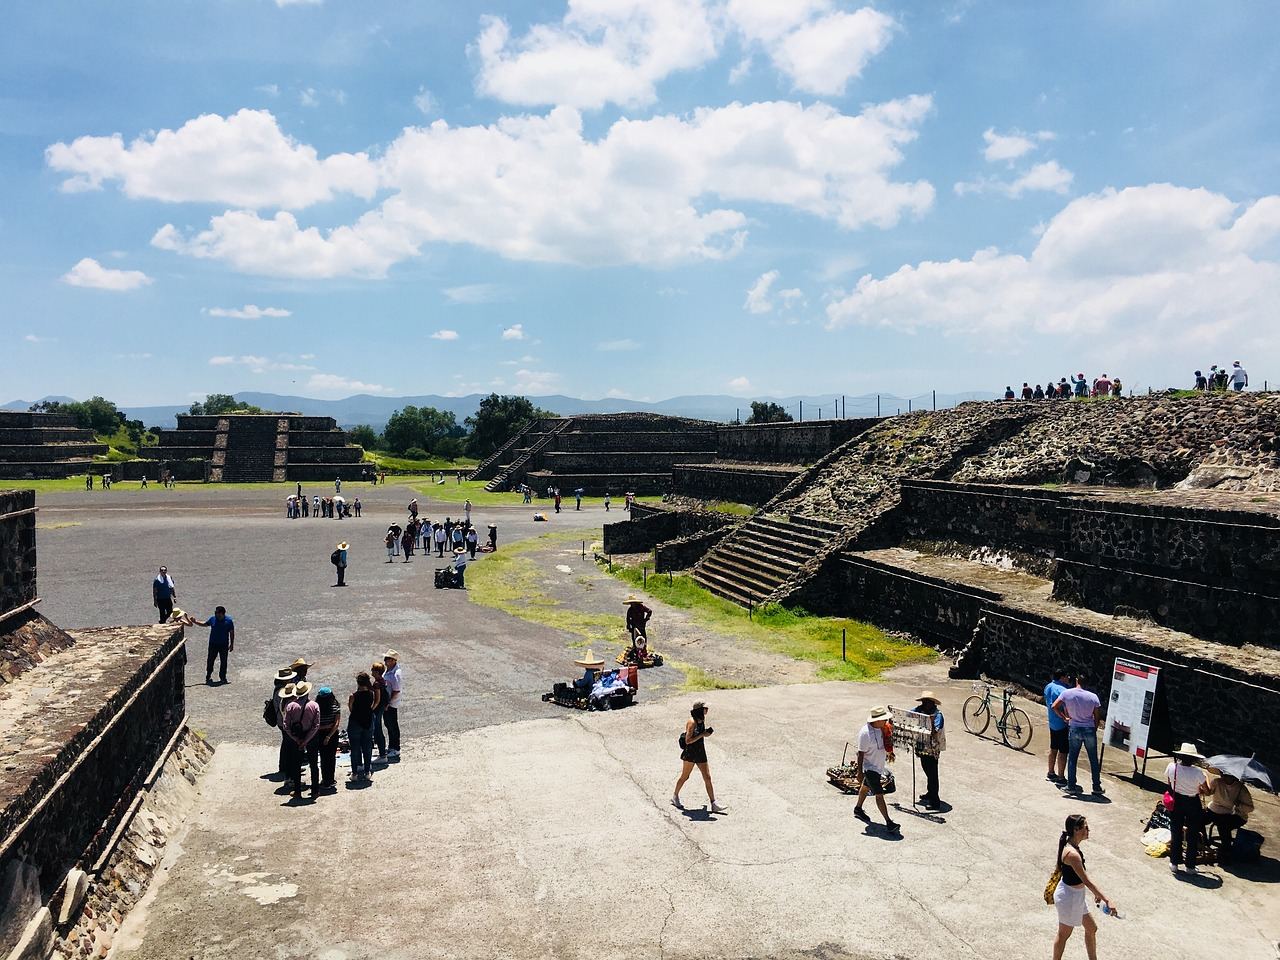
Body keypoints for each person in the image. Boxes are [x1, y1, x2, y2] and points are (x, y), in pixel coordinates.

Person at [1051, 814, 1114, 960]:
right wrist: (1107, 900)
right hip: (1069, 899)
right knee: (1063, 934)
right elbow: (1087, 881)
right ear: (1076, 829)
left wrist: (1096, 895)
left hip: (1075, 895)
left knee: (1091, 928)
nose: (1088, 829)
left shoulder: (1073, 848)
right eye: (1086, 827)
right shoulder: (1072, 854)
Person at [1052, 674, 1104, 797]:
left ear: (1076, 681)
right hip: (1089, 729)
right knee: (1093, 759)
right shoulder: (1093, 697)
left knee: (1073, 758)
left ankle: (1071, 786)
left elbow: (1054, 706)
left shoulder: (1067, 693)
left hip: (1074, 727)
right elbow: (1097, 716)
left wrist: (1064, 717)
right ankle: (1096, 786)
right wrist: (1094, 728)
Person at [672, 701, 726, 813]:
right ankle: (675, 796)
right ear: (699, 710)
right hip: (690, 753)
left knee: (707, 777)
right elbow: (688, 740)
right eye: (705, 708)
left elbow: (698, 736)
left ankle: (713, 803)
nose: (707, 710)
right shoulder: (692, 722)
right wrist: (702, 735)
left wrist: (705, 734)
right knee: (685, 776)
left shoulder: (701, 720)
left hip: (700, 751)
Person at [853, 705, 899, 834]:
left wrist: (890, 753)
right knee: (879, 794)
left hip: (878, 766)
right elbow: (860, 753)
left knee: (866, 787)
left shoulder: (882, 728)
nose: (885, 721)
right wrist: (860, 772)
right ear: (875, 720)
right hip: (870, 768)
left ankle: (858, 809)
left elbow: (886, 740)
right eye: (883, 719)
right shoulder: (865, 733)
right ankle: (889, 822)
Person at [1165, 742, 1210, 875]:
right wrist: (1205, 780)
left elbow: (1170, 783)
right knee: (1192, 833)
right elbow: (1206, 791)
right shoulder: (1198, 772)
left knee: (1176, 831)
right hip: (1192, 802)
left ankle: (1174, 862)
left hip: (1177, 800)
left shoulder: (1172, 767)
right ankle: (1190, 866)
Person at [1204, 769, 1254, 865]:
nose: (1224, 777)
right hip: (1215, 809)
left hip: (1234, 814)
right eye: (1223, 774)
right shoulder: (1217, 782)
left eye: (1228, 775)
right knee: (1199, 819)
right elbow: (1208, 793)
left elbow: (1250, 808)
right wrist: (1203, 785)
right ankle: (1204, 843)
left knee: (1223, 827)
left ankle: (1225, 852)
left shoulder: (1241, 789)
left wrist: (1239, 804)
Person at [282, 681, 321, 799]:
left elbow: (286, 725)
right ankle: (315, 790)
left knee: (296, 764)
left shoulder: (290, 706)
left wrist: (296, 739)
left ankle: (297, 790)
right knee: (314, 764)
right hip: (311, 738)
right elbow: (316, 725)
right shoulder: (314, 705)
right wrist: (307, 739)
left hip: (296, 737)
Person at [911, 691, 945, 809]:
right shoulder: (920, 709)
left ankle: (935, 801)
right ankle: (930, 793)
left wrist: (930, 721)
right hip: (922, 745)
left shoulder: (937, 715)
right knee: (926, 769)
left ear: (932, 703)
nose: (924, 703)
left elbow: (935, 731)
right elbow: (908, 714)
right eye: (923, 701)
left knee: (932, 774)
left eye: (927, 701)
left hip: (932, 748)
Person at [188, 605, 234, 685]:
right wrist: (195, 622)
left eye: (218, 613)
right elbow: (205, 624)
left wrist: (232, 644)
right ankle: (208, 675)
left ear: (222, 614)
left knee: (224, 661)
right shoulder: (213, 619)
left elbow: (232, 633)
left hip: (223, 644)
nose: (216, 615)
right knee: (210, 660)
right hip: (213, 644)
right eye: (215, 613)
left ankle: (222, 677)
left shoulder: (229, 621)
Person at [347, 672, 376, 783]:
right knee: (367, 747)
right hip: (367, 721)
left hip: (355, 722)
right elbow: (371, 705)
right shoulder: (371, 694)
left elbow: (351, 708)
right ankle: (367, 772)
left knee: (354, 748)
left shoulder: (353, 696)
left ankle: (354, 773)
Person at [1044, 667, 1071, 784]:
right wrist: (1064, 717)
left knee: (1053, 748)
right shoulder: (1063, 690)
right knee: (1063, 751)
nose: (1068, 678)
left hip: (1052, 723)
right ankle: (1061, 777)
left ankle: (1050, 772)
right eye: (1067, 676)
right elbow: (1063, 706)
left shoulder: (1048, 687)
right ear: (1062, 677)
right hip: (1062, 724)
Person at [382, 650, 402, 759]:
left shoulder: (396, 674)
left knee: (393, 725)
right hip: (388, 703)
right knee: (388, 725)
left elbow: (396, 690)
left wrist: (388, 703)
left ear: (393, 660)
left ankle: (396, 748)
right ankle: (391, 746)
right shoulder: (389, 670)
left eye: (387, 659)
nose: (385, 661)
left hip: (391, 704)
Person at [371, 660, 389, 762]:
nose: (371, 671)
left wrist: (371, 709)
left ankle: (382, 755)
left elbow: (377, 700)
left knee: (377, 730)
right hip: (382, 707)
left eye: (373, 670)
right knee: (378, 729)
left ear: (377, 672)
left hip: (377, 709)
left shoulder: (377, 683)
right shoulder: (382, 680)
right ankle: (382, 752)